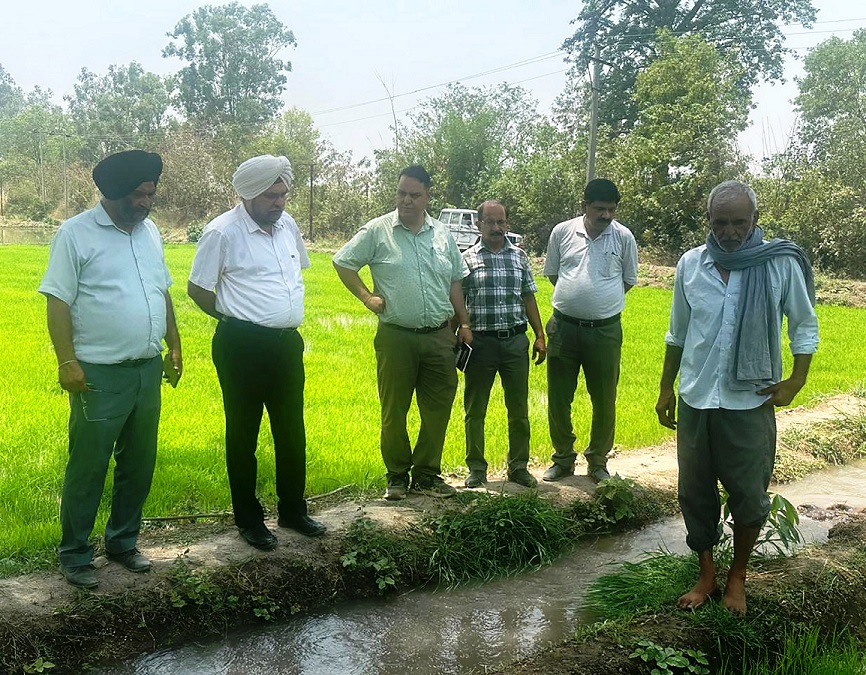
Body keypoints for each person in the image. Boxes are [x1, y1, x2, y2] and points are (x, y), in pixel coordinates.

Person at [655, 180, 819, 615]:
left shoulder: (778, 264)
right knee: (694, 492)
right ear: (708, 222)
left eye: (738, 222)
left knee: (748, 495)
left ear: (755, 221)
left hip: (750, 401)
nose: (729, 231)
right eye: (720, 222)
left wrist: (796, 380)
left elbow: (804, 325)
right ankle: (707, 573)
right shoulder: (691, 264)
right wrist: (665, 389)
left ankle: (737, 576)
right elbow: (678, 332)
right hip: (696, 397)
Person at [39, 150, 182, 589]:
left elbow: (161, 289)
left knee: (138, 463)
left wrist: (173, 344)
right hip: (98, 374)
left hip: (145, 370)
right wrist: (67, 361)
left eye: (151, 194)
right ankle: (76, 553)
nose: (146, 202)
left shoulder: (150, 231)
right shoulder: (76, 233)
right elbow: (57, 300)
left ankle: (123, 542)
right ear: (115, 193)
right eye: (139, 195)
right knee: (89, 465)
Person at [188, 154, 325, 552]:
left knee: (290, 429)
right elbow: (198, 289)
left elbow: (294, 271)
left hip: (286, 344)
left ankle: (293, 511)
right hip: (241, 345)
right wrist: (236, 318)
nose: (278, 202)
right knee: (243, 433)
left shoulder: (288, 226)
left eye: (283, 194)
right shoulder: (222, 233)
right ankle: (248, 520)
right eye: (270, 196)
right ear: (248, 194)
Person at [332, 165, 472, 500]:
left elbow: (454, 281)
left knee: (438, 408)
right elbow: (342, 262)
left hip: (440, 336)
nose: (406, 201)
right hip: (396, 336)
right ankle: (396, 476)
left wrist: (464, 323)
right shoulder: (377, 231)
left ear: (428, 196)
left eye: (414, 195)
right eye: (401, 193)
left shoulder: (442, 234)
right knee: (394, 410)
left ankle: (426, 475)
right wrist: (368, 297)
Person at [542, 179, 638, 483]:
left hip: (605, 332)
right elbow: (555, 274)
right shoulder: (562, 232)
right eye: (600, 209)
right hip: (564, 329)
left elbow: (628, 281)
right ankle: (563, 459)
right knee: (559, 397)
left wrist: (599, 304)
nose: (606, 215)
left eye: (611, 209)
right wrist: (576, 302)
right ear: (584, 206)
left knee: (604, 398)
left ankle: (597, 461)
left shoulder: (623, 238)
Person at [461, 200, 546, 488]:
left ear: (508, 224)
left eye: (501, 222)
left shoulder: (519, 257)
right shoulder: (467, 258)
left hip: (514, 343)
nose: (496, 228)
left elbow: (529, 297)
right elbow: (457, 302)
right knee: (475, 409)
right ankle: (476, 468)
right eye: (490, 222)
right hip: (480, 344)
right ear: (478, 224)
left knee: (518, 409)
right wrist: (457, 333)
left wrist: (539, 334)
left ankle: (519, 467)